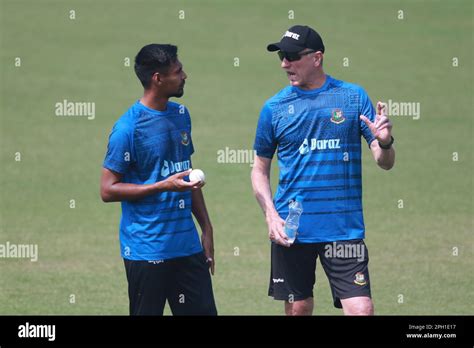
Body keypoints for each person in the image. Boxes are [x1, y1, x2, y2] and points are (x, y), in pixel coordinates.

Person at [251, 25, 395, 316]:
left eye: (291, 56)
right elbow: (259, 170)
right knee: (299, 307)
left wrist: (385, 141)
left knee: (361, 309)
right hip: (293, 229)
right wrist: (270, 214)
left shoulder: (352, 97)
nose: (284, 64)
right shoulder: (274, 108)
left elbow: (384, 161)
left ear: (317, 58)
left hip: (343, 229)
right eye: (281, 56)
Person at [100, 44, 217, 316]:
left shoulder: (180, 115)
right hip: (147, 250)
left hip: (187, 248)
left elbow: (186, 175)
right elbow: (107, 189)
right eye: (177, 71)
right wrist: (162, 186)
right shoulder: (128, 129)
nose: (185, 75)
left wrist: (207, 228)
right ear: (157, 78)